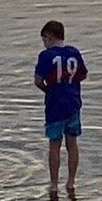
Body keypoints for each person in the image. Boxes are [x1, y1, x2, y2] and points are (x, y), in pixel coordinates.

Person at [34, 19, 88, 190]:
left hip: (54, 106)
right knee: (72, 143)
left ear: (49, 38)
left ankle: (53, 183)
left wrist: (48, 90)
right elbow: (82, 75)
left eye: (44, 40)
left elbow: (38, 81)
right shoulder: (74, 53)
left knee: (54, 144)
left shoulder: (46, 56)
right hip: (73, 103)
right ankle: (71, 181)